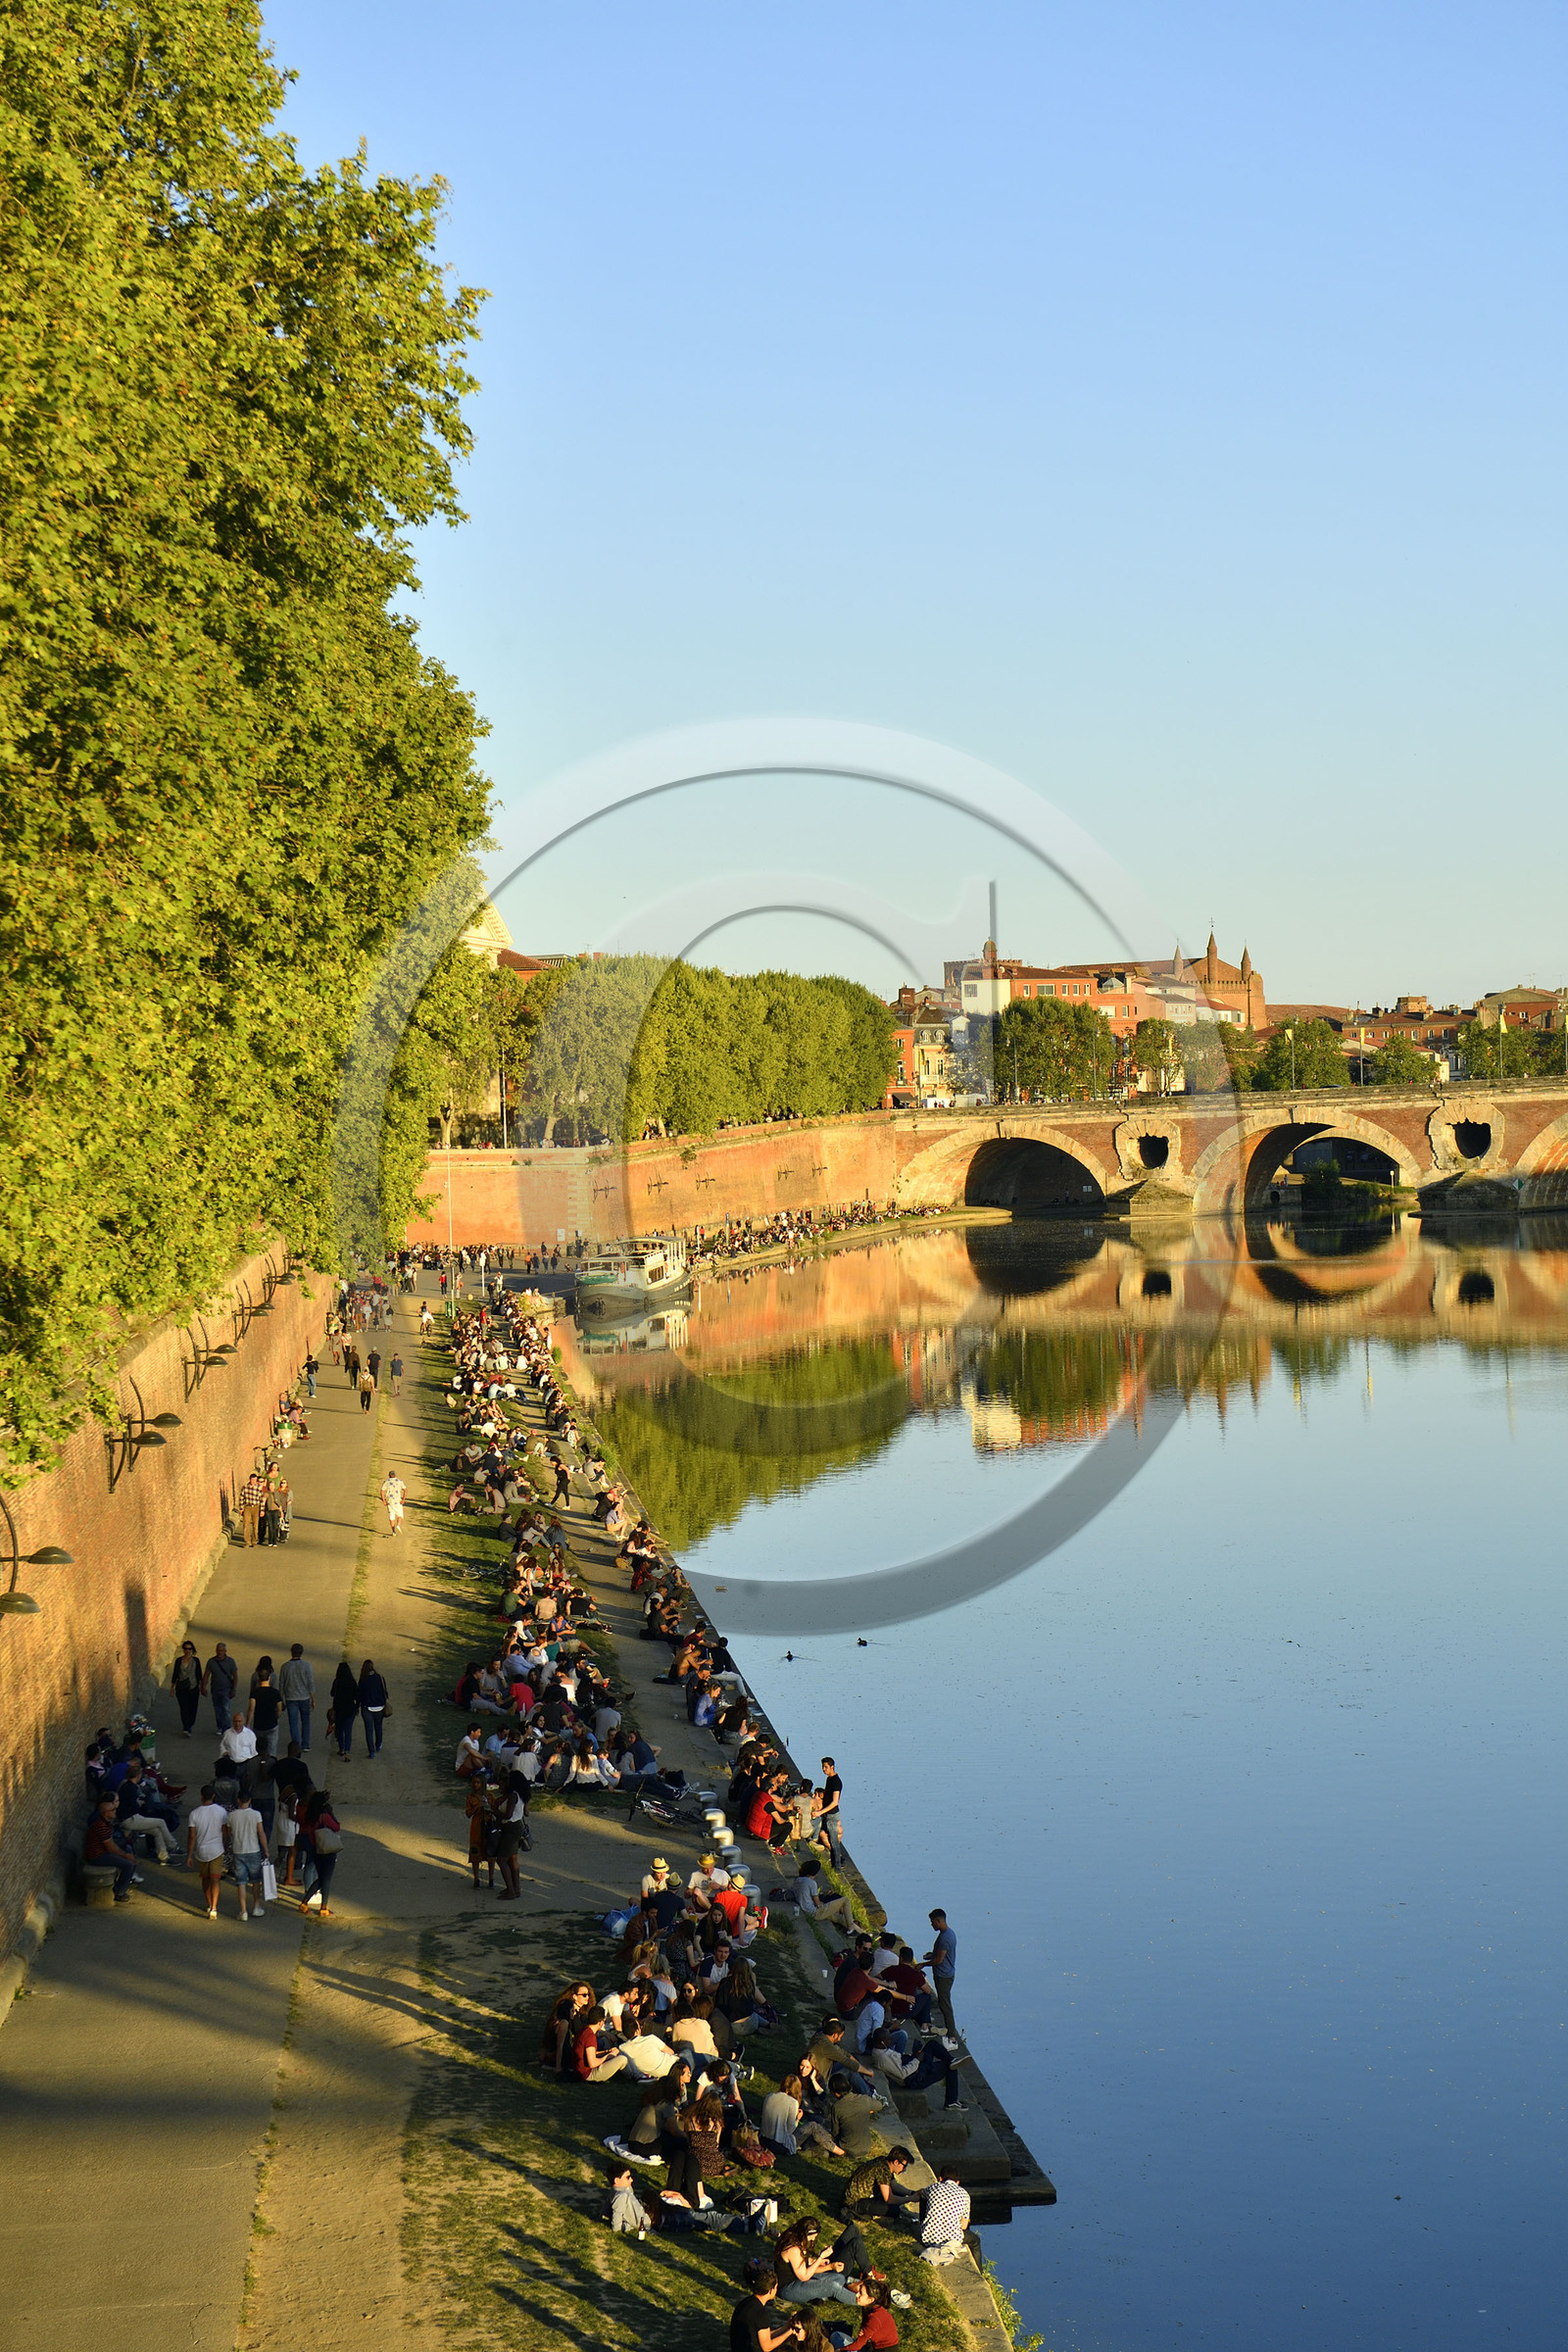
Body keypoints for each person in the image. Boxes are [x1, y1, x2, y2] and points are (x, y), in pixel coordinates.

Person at [773, 2218, 858, 2307]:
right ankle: (861, 2300)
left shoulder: (797, 2240)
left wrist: (815, 2261)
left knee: (839, 2277)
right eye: (812, 2236)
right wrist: (820, 2258)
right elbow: (804, 2276)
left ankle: (821, 2296)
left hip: (798, 2279)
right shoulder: (793, 2249)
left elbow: (801, 2262)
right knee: (833, 2287)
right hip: (788, 2288)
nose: (813, 2239)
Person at [730, 2262, 805, 2352]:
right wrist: (790, 2332)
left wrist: (787, 2327)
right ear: (771, 2290)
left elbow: (766, 2337)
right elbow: (767, 2347)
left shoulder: (746, 2302)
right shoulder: (760, 2313)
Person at [84, 1794, 141, 1901]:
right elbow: (111, 1848)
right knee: (128, 1864)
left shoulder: (105, 1823)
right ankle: (119, 1892)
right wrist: (126, 1855)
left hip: (102, 1851)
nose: (115, 1811)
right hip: (97, 1856)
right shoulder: (101, 1826)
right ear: (107, 1813)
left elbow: (112, 1843)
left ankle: (126, 1881)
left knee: (128, 1850)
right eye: (113, 1810)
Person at [186, 1784, 229, 1920]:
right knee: (216, 1879)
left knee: (205, 1879)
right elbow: (225, 1831)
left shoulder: (194, 1813)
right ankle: (214, 1908)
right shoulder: (221, 1811)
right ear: (213, 1796)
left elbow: (192, 1835)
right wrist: (226, 1845)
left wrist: (189, 1855)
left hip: (201, 1851)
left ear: (201, 1797)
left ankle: (209, 1903)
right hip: (217, 1850)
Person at [225, 1787, 270, 1921]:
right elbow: (261, 1833)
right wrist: (266, 1850)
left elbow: (228, 1834)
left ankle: (243, 1910)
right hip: (254, 1850)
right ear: (250, 1800)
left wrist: (227, 1847)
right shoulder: (256, 1814)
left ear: (238, 1800)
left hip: (238, 1851)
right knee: (255, 1880)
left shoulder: (231, 1815)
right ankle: (256, 1906)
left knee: (241, 1882)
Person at [300, 1788, 341, 1915]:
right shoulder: (325, 1816)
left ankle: (305, 1902)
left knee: (322, 1878)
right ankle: (323, 1907)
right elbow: (336, 1826)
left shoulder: (310, 1816)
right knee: (326, 1879)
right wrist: (331, 1812)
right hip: (327, 1851)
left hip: (315, 1849)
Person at [919, 2164, 971, 2265]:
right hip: (951, 2240)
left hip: (928, 2238)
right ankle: (981, 2273)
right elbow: (964, 2226)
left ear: (940, 2178)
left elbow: (921, 2194)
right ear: (958, 2182)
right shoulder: (965, 2194)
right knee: (975, 2241)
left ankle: (922, 2223)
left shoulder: (933, 2187)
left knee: (924, 2197)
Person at [921, 1909, 957, 2037]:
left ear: (938, 1921)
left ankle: (952, 2035)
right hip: (946, 1973)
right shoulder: (949, 1933)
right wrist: (931, 1955)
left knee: (945, 2005)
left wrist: (923, 1964)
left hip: (944, 1976)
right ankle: (950, 2031)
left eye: (932, 1922)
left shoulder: (945, 1938)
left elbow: (939, 1960)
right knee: (943, 2003)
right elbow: (940, 1955)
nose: (931, 1924)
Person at [840, 2272, 900, 2350]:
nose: (857, 2295)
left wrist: (838, 2350)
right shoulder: (868, 2308)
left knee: (837, 2340)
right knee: (836, 2336)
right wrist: (864, 2331)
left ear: (870, 2300)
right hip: (873, 2346)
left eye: (861, 2293)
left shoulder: (875, 2318)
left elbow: (857, 2345)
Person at [277, 1644, 316, 1751]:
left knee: (293, 1722)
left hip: (291, 1698)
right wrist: (313, 1698)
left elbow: (281, 1684)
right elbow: (310, 1683)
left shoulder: (285, 1667)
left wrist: (281, 1699)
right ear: (301, 1652)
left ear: (291, 1652)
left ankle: (296, 1744)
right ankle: (306, 1744)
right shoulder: (307, 1666)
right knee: (306, 1721)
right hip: (304, 1697)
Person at [607, 2160, 653, 2237]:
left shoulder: (622, 2189)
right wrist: (624, 2227)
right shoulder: (621, 2196)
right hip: (647, 2220)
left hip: (644, 2211)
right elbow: (616, 2220)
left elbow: (607, 2206)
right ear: (617, 2180)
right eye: (628, 2177)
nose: (631, 2180)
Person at [203, 1642, 238, 1736]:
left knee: (225, 1709)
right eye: (218, 1650)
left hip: (227, 1689)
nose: (220, 1652)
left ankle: (226, 1729)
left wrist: (234, 1689)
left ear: (225, 1651)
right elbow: (206, 1674)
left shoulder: (230, 1661)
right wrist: (203, 1686)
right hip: (215, 1689)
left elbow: (235, 1675)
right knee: (218, 1709)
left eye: (222, 1650)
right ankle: (220, 1726)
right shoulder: (211, 1662)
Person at [248, 1665, 283, 1759]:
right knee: (272, 1750)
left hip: (258, 1724)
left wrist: (248, 1723)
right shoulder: (275, 1692)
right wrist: (276, 1717)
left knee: (258, 1748)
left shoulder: (255, 1693)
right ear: (269, 1678)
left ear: (259, 1679)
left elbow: (251, 1709)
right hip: (272, 1724)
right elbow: (279, 1709)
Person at [171, 1640, 204, 1737]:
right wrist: (172, 1688)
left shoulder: (196, 1661)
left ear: (192, 1649)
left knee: (193, 1709)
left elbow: (199, 1674)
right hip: (181, 1689)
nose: (187, 1651)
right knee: (184, 1708)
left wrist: (202, 1687)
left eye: (189, 1649)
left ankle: (190, 1724)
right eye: (185, 1649)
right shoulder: (179, 1661)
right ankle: (186, 1728)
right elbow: (175, 1674)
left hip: (193, 1688)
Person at [328, 1660, 361, 1759]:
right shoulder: (352, 1682)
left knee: (339, 1730)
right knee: (348, 1731)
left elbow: (332, 1693)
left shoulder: (337, 1682)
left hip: (339, 1709)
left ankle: (341, 1748)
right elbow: (356, 1696)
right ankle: (347, 1752)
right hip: (350, 1709)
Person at [358, 1659, 389, 1757]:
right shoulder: (379, 1677)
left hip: (367, 1708)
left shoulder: (363, 1679)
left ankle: (371, 1751)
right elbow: (385, 1692)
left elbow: (359, 1695)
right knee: (378, 1727)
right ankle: (378, 1744)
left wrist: (357, 1706)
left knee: (369, 1730)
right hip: (379, 1707)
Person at [813, 1757, 843, 1856]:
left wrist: (820, 1812)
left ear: (832, 1767)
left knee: (834, 1842)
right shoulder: (829, 1779)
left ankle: (838, 1865)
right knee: (829, 1838)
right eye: (823, 1767)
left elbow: (835, 1802)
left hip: (832, 1815)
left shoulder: (836, 1782)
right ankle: (835, 1863)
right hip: (827, 1814)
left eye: (826, 1767)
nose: (824, 1769)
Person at [237, 1470, 266, 1548]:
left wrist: (262, 1510)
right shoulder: (245, 1487)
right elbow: (241, 1498)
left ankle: (254, 1541)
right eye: (252, 1480)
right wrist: (241, 1508)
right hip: (247, 1507)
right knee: (246, 1524)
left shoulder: (258, 1488)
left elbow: (261, 1499)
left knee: (255, 1525)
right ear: (250, 1479)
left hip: (256, 1507)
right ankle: (247, 1541)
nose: (253, 1482)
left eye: (255, 1480)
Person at [380, 1469, 406, 1535]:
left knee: (392, 1517)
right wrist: (403, 1499)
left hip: (390, 1502)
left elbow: (382, 1491)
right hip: (398, 1501)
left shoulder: (386, 1482)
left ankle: (393, 1531)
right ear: (395, 1475)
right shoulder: (400, 1481)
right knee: (400, 1515)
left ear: (389, 1476)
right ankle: (398, 1525)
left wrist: (384, 1500)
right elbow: (405, 1490)